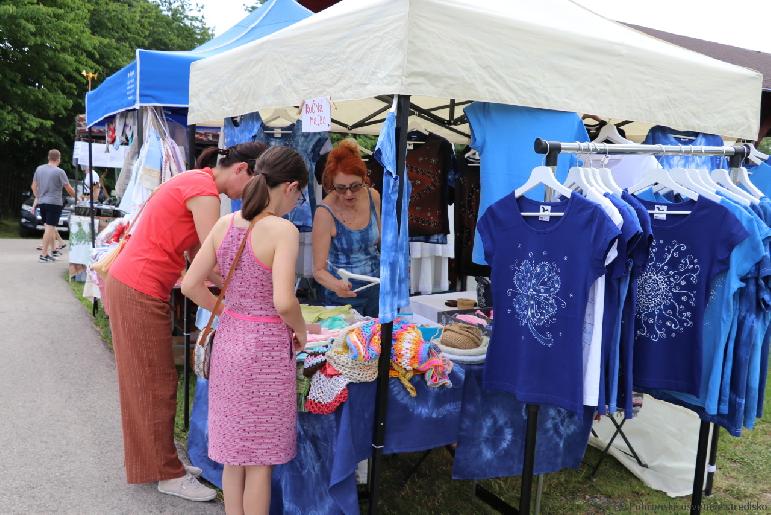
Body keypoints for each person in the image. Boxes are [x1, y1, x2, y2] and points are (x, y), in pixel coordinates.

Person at [103, 142, 268, 502]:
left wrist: (235, 290)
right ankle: (166, 473)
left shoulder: (198, 183)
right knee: (155, 382)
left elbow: (201, 257)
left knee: (149, 380)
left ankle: (158, 463)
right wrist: (250, 294)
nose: (250, 197)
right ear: (241, 170)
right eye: (254, 185)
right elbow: (214, 257)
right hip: (139, 285)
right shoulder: (204, 192)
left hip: (136, 283)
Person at [182, 146, 308, 515]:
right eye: (299, 194)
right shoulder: (282, 230)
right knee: (260, 460)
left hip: (230, 343)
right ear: (291, 186)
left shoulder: (225, 223)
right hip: (266, 351)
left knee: (234, 455)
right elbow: (285, 302)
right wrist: (300, 330)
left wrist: (230, 310)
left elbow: (191, 284)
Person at [312, 139, 381, 316]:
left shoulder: (373, 197)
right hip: (342, 299)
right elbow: (319, 271)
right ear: (331, 185)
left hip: (377, 290)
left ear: (364, 179)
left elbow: (382, 244)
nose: (349, 194)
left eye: (355, 186)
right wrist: (337, 286)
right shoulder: (325, 212)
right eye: (341, 188)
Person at [31, 149, 76, 262]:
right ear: (58, 159)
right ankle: (43, 255)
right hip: (54, 203)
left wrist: (38, 196)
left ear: (48, 157)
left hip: (42, 203)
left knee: (48, 228)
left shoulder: (39, 169)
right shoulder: (59, 171)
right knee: (50, 228)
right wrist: (77, 197)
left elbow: (33, 186)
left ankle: (53, 251)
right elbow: (68, 188)